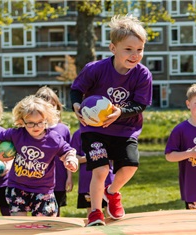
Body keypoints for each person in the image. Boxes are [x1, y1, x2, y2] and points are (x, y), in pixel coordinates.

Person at [70, 14, 152, 226]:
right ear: (113, 48)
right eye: (128, 49)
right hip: (94, 130)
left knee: (131, 166)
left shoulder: (143, 75)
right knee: (101, 169)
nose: (135, 55)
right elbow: (76, 90)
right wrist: (76, 105)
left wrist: (120, 113)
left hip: (125, 129)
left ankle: (112, 192)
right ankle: (95, 212)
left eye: (139, 50)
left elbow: (140, 104)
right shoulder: (95, 69)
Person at [0, 95, 78, 217]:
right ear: (22, 121)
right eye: (30, 123)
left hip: (43, 189)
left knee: (44, 225)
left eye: (40, 122)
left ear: (47, 119)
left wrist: (71, 160)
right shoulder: (16, 134)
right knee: (19, 225)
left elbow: (68, 151)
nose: (36, 127)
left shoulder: (53, 138)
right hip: (17, 187)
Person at [35, 86, 73, 217]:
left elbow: (69, 154)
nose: (50, 109)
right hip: (38, 180)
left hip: (59, 179)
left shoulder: (63, 129)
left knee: (55, 212)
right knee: (38, 212)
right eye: (45, 106)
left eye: (52, 105)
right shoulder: (33, 130)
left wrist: (69, 177)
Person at [70, 129, 115, 217]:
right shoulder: (78, 134)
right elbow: (74, 157)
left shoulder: (109, 131)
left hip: (108, 179)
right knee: (92, 210)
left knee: (109, 209)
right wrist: (94, 156)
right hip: (87, 180)